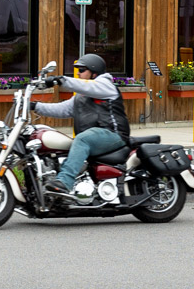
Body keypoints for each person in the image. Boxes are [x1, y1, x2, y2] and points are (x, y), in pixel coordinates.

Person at [31, 54, 130, 194]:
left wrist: (60, 80)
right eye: (77, 70)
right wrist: (35, 106)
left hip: (113, 134)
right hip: (95, 137)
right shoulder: (81, 96)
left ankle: (65, 182)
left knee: (83, 139)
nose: (78, 73)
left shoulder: (105, 86)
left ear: (94, 73)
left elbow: (86, 86)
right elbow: (62, 109)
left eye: (82, 70)